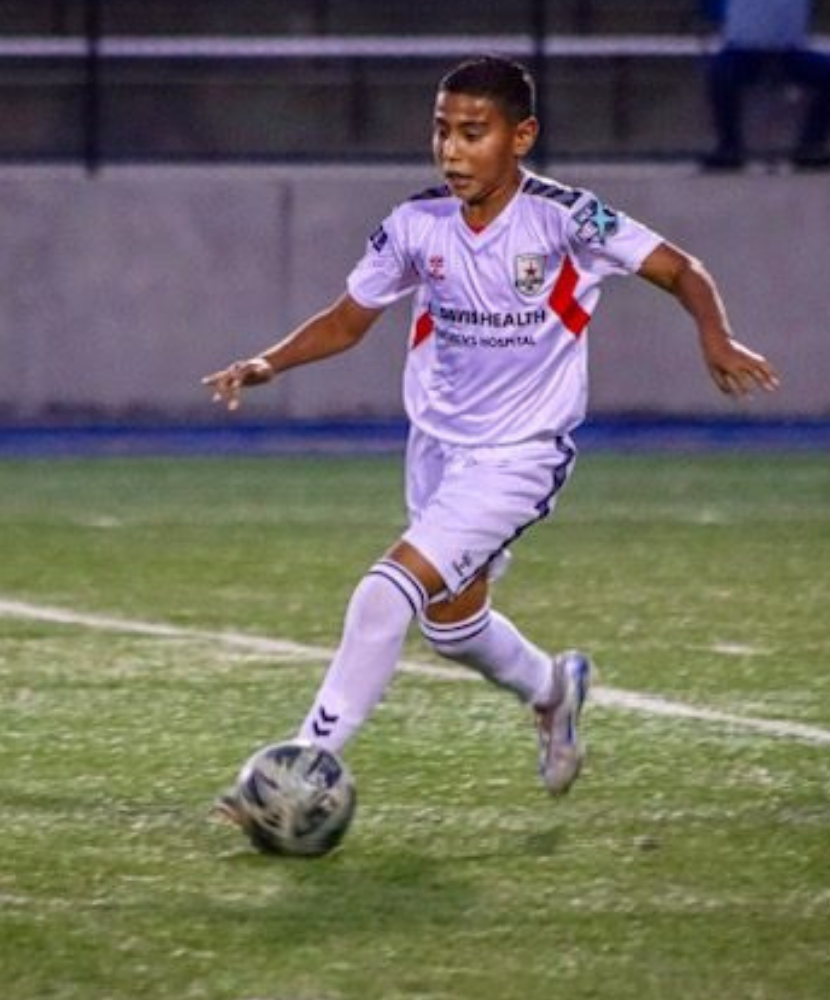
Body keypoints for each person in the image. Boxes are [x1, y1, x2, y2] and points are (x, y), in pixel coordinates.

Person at [204, 56, 780, 815]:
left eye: (472, 133)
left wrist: (717, 336)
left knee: (386, 590)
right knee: (451, 625)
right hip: (436, 447)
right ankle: (553, 688)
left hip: (521, 455)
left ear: (521, 136)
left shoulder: (567, 218)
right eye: (441, 131)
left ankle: (304, 764)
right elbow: (348, 319)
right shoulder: (417, 224)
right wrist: (267, 363)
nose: (451, 150)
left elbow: (681, 269)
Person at [702, 0, 830, 170]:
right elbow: (712, 8)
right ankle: (729, 146)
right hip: (743, 51)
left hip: (790, 52)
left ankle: (812, 145)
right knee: (720, 72)